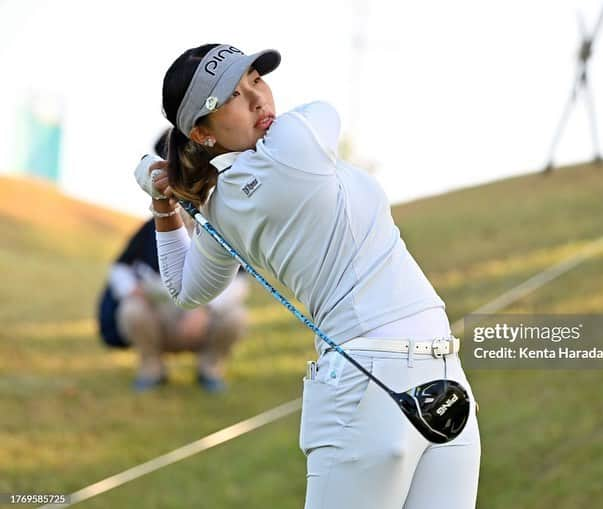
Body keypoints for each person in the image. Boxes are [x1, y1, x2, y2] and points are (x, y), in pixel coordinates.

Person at [136, 43, 480, 508]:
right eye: (234, 96)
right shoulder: (294, 142)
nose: (258, 99)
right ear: (201, 131)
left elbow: (183, 287)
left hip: (440, 372)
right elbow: (326, 111)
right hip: (368, 385)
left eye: (256, 80)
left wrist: (164, 203)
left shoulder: (221, 206)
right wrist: (176, 195)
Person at [98, 133, 249, 392]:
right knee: (131, 309)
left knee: (237, 316)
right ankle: (151, 368)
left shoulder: (219, 223)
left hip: (203, 322)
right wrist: (132, 290)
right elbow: (121, 267)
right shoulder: (149, 227)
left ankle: (209, 369)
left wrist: (205, 310)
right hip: (162, 320)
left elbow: (240, 281)